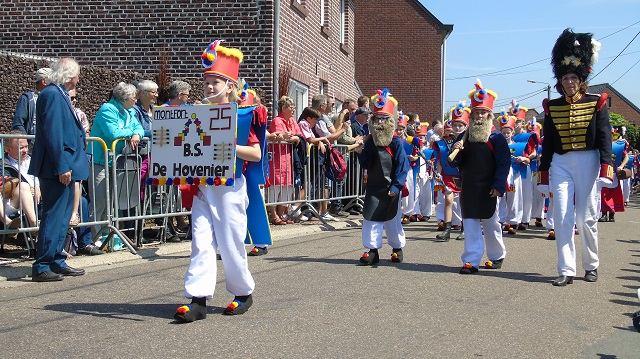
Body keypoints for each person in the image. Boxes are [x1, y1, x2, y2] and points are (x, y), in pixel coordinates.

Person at [175, 40, 265, 322]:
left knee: (230, 243)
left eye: (216, 82)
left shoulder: (241, 116)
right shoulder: (195, 116)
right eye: (207, 82)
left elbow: (255, 152)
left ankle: (243, 293)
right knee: (200, 242)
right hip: (203, 188)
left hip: (229, 189)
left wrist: (228, 144)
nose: (210, 87)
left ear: (230, 86)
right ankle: (198, 299)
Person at [537, 29, 613, 286]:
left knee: (587, 216)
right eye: (565, 77)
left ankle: (591, 265)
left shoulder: (596, 102)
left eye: (573, 77)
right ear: (560, 81)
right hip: (560, 162)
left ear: (581, 80)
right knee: (562, 215)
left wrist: (606, 166)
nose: (569, 81)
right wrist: (544, 171)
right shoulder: (552, 106)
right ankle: (566, 269)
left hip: (588, 160)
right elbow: (548, 143)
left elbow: (604, 138)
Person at [28, 57, 89, 282]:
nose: (78, 79)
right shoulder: (52, 94)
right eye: (76, 74)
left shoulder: (58, 93)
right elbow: (54, 133)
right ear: (69, 75)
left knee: (62, 217)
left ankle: (56, 259)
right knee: (54, 216)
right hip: (57, 167)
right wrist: (62, 166)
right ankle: (42, 264)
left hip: (64, 165)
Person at [451, 79, 510, 274]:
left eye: (483, 112)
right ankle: (471, 260)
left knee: (491, 223)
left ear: (489, 115)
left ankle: (496, 255)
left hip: (488, 187)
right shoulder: (463, 137)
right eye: (476, 113)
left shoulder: (497, 138)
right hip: (469, 186)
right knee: (470, 223)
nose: (479, 116)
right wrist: (456, 150)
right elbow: (453, 163)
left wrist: (498, 184)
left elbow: (503, 163)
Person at [357, 89, 409, 265]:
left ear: (390, 121)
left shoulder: (396, 142)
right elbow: (366, 163)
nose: (380, 123)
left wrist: (396, 187)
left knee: (391, 220)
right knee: (370, 217)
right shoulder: (370, 142)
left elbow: (402, 167)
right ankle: (372, 250)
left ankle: (397, 248)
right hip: (373, 187)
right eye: (377, 119)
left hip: (391, 188)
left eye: (383, 119)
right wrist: (360, 150)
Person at [89, 82, 145, 235]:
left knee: (113, 202)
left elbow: (139, 127)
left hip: (118, 162)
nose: (136, 100)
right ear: (124, 98)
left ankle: (109, 236)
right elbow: (113, 133)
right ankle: (96, 237)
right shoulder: (107, 109)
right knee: (100, 202)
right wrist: (130, 132)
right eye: (133, 97)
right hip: (101, 161)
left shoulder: (130, 112)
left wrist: (137, 134)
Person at [433, 103, 467, 241]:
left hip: (463, 175)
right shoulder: (441, 143)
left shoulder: (468, 140)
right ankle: (447, 229)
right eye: (455, 125)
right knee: (448, 199)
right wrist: (438, 173)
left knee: (464, 201)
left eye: (460, 125)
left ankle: (465, 228)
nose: (457, 128)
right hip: (448, 175)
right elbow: (440, 160)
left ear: (465, 126)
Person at [3, 133, 40, 229]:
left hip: (41, 198)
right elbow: (6, 189)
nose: (25, 150)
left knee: (81, 201)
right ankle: (34, 226)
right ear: (8, 149)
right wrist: (31, 188)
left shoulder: (34, 159)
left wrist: (39, 187)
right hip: (14, 204)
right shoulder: (3, 165)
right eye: (21, 148)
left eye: (26, 147)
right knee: (23, 186)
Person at [12, 68, 52, 135]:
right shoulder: (27, 99)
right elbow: (18, 124)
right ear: (44, 81)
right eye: (53, 81)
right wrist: (25, 141)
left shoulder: (54, 99)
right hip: (32, 142)